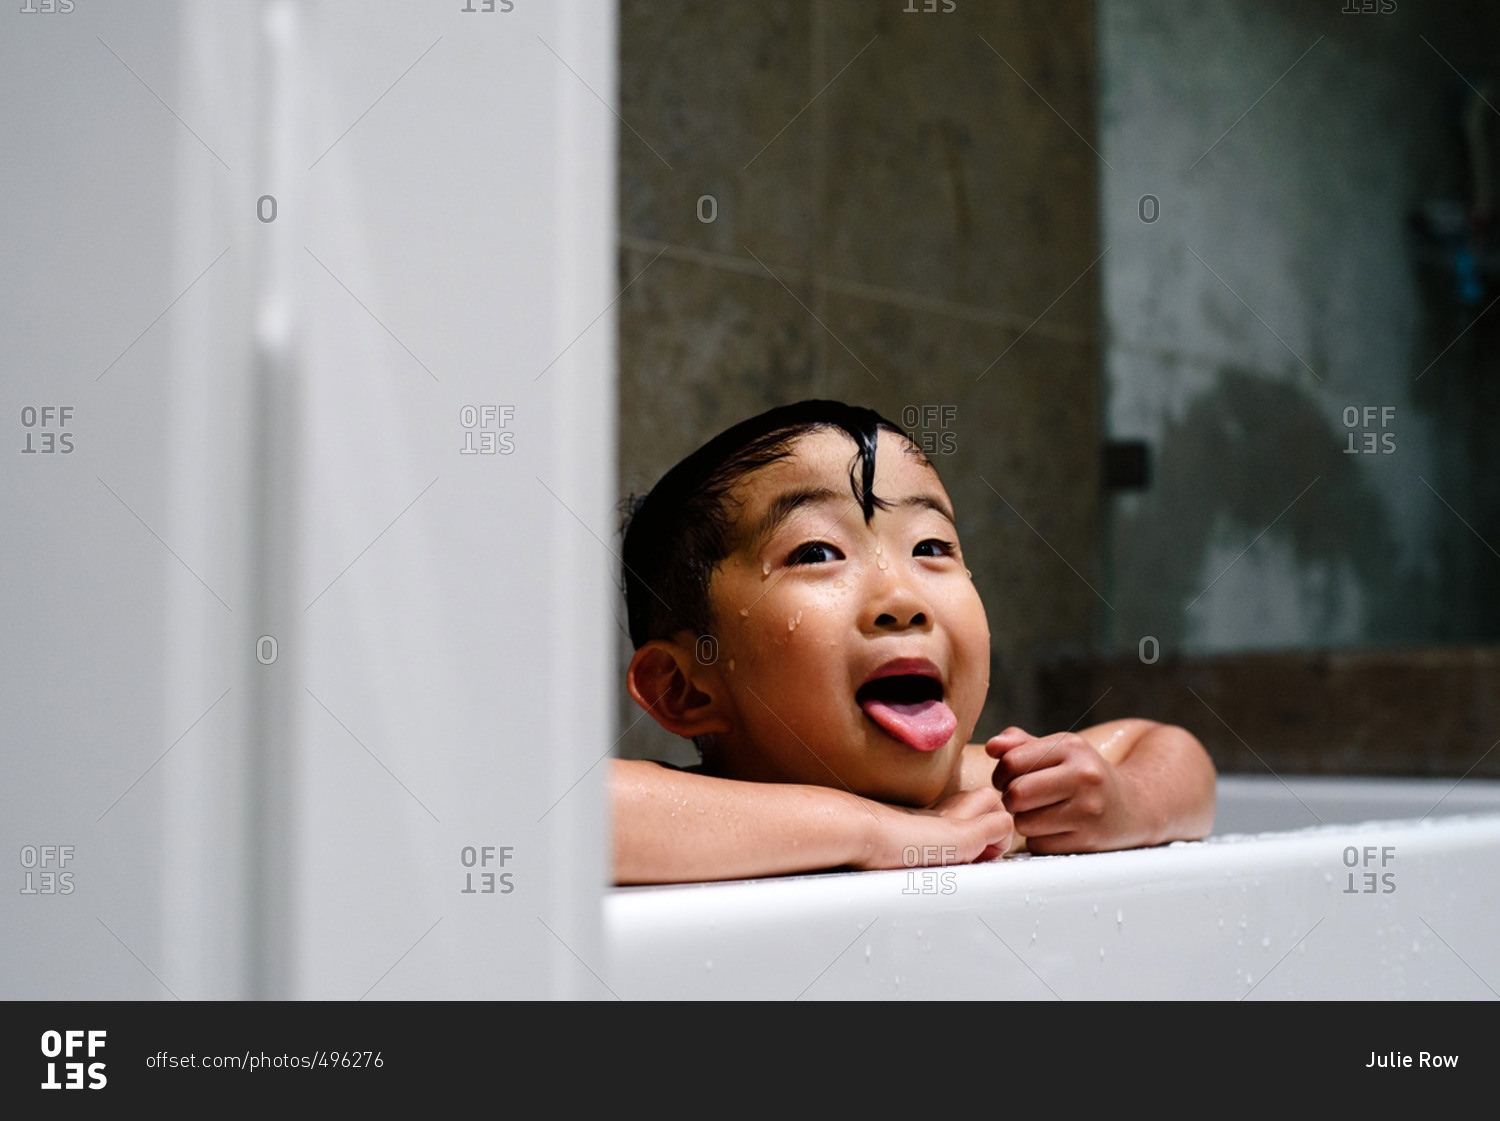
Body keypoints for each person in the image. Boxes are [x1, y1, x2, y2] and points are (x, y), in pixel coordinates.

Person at [613, 400, 1215, 884]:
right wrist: (876, 832)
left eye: (931, 547)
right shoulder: (692, 812)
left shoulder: (987, 795)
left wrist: (1126, 802)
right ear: (683, 689)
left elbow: (1167, 749)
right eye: (817, 552)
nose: (904, 600)